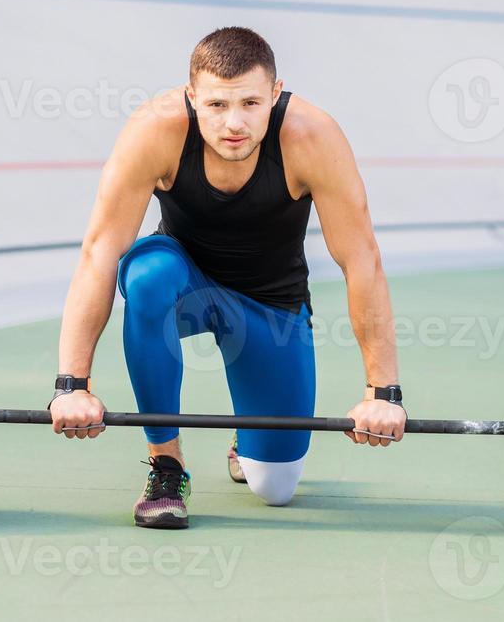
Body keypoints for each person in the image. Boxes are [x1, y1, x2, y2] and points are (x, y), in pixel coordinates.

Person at [48, 26, 406, 528]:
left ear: (276, 94)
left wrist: (383, 393)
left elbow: (361, 259)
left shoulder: (311, 136)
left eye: (250, 104)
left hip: (270, 306)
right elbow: (100, 253)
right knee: (149, 276)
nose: (233, 123)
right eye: (216, 105)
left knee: (274, 488)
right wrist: (72, 384)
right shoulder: (156, 129)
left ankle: (248, 437)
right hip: (184, 285)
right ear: (192, 97)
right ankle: (166, 464)